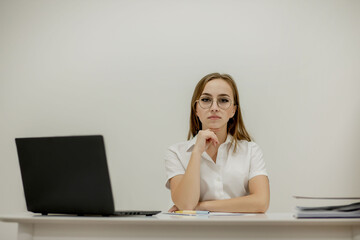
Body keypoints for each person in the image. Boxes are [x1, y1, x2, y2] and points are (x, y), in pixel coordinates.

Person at [164, 73, 270, 213]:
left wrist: (200, 207)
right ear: (196, 109)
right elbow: (186, 203)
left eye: (223, 100)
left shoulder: (251, 151)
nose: (214, 107)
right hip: (193, 234)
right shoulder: (176, 153)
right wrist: (196, 152)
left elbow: (261, 203)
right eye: (206, 99)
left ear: (233, 110)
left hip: (242, 234)